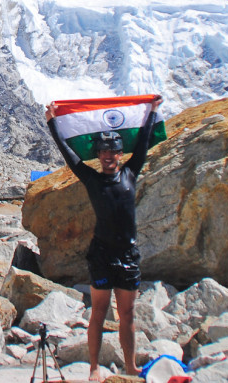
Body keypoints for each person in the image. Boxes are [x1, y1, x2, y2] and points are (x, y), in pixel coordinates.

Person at [44, 95, 163, 381]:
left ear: (121, 154)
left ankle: (131, 365)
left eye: (114, 152)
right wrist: (52, 123)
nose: (109, 157)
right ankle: (94, 367)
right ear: (98, 155)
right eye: (104, 153)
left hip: (128, 254)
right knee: (98, 312)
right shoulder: (91, 178)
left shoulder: (131, 173)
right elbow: (67, 153)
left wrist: (152, 112)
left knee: (128, 314)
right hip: (102, 254)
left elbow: (145, 142)